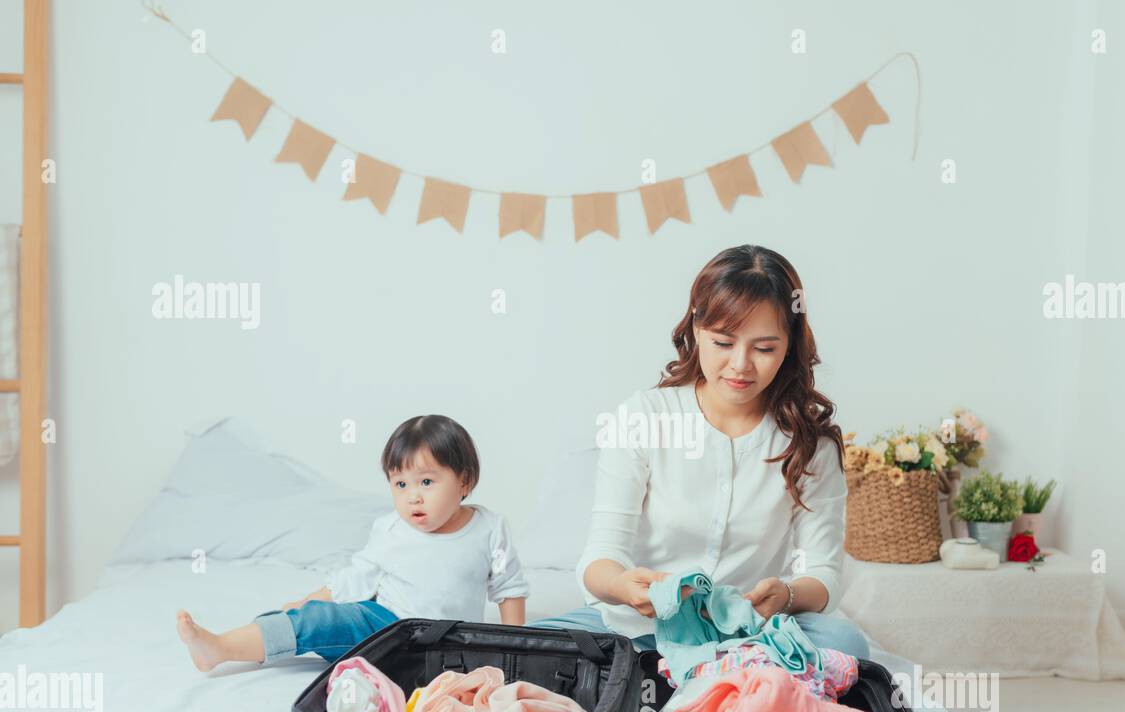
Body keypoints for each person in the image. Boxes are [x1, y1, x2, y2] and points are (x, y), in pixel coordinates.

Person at [528, 244, 870, 661]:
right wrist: (622, 587)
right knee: (530, 647)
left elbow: (823, 575)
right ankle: (717, 678)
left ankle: (716, 673)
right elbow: (601, 558)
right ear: (695, 328)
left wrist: (787, 595)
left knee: (847, 645)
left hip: (751, 633)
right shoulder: (646, 415)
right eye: (723, 342)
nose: (741, 365)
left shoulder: (811, 443)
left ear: (789, 345)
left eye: (764, 348)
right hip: (636, 629)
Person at [177, 414, 529, 671]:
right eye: (400, 485)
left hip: (452, 640)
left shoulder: (489, 528)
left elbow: (509, 588)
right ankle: (221, 648)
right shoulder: (391, 530)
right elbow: (354, 579)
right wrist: (304, 601)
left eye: (426, 482)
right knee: (314, 620)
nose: (413, 498)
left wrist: (513, 649)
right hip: (387, 623)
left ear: (464, 482)